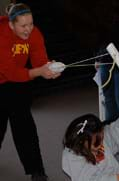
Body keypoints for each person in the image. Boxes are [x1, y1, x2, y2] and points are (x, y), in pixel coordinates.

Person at [0, 3, 61, 181]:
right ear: (12, 25)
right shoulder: (2, 36)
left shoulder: (35, 34)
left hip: (18, 81)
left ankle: (37, 171)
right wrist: (39, 71)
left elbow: (38, 61)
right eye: (23, 26)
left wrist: (49, 67)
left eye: (31, 24)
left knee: (25, 126)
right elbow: (9, 72)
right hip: (2, 78)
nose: (28, 30)